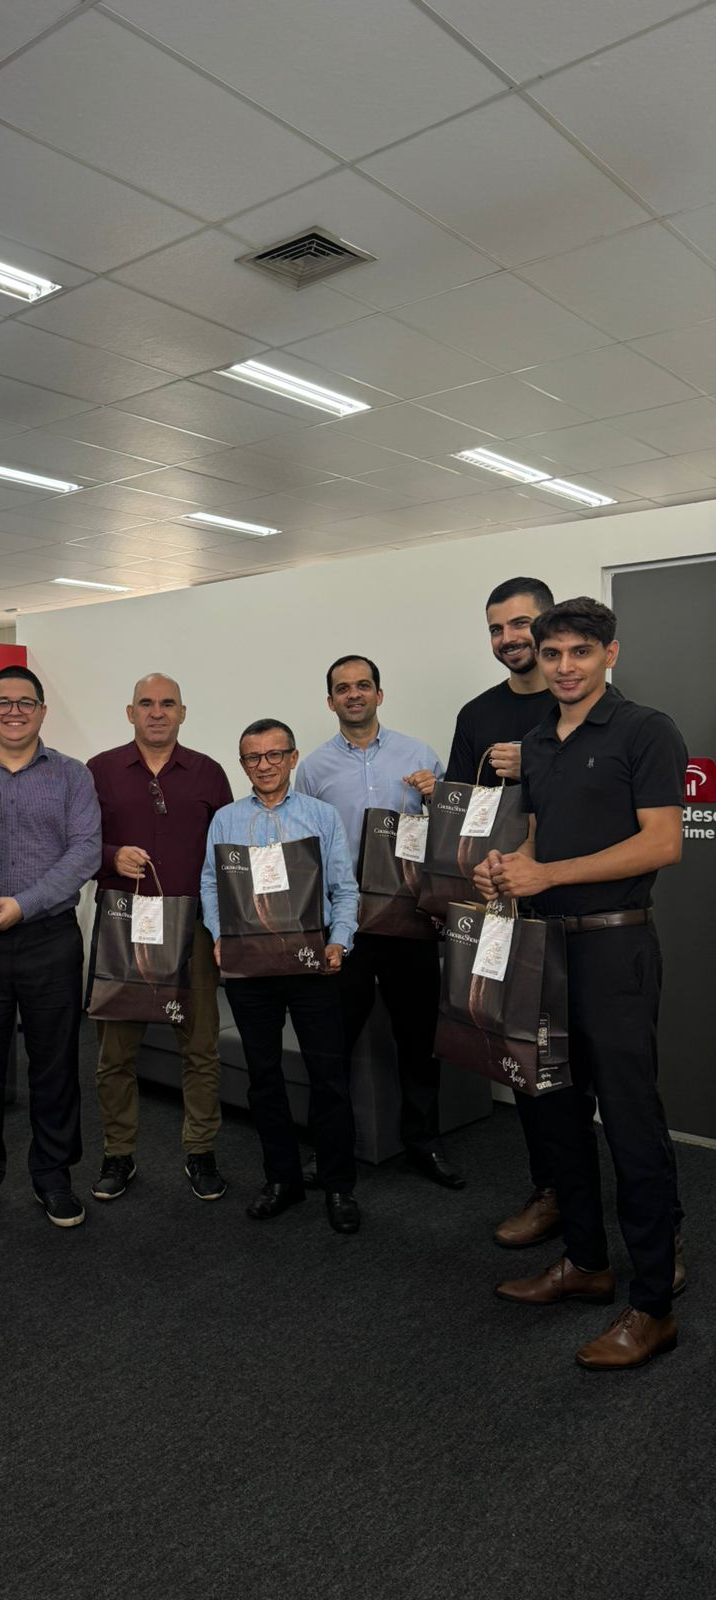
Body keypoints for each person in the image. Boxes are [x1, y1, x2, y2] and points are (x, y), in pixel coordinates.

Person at [477, 598, 686, 1370]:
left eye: (580, 652)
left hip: (615, 948)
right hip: (545, 951)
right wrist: (505, 870)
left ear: (610, 655)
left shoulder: (645, 730)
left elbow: (662, 844)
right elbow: (536, 842)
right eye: (553, 653)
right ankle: (587, 1265)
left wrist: (549, 873)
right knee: (557, 1113)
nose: (565, 666)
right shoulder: (536, 742)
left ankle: (653, 1306)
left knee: (629, 1122)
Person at [0, 665, 101, 1232]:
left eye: (25, 702)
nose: (14, 711)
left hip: (48, 938)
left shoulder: (72, 775)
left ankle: (53, 1175)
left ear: (41, 711)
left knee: (55, 1065)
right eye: (3, 702)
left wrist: (24, 904)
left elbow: (85, 852)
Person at [296, 656, 463, 1189]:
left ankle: (424, 1142)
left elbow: (453, 834)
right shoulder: (313, 769)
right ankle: (330, 1149)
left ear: (379, 694)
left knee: (419, 1036)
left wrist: (438, 798)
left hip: (410, 917)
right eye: (343, 688)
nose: (354, 694)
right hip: (345, 923)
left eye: (363, 685)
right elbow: (307, 848)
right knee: (333, 1041)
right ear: (330, 702)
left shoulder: (420, 755)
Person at [201, 719, 360, 1230]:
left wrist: (340, 939)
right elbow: (210, 884)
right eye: (253, 757)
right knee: (263, 1079)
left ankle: (338, 1185)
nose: (264, 765)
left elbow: (345, 887)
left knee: (328, 1078)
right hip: (249, 970)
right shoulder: (225, 820)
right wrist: (218, 934)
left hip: (313, 965)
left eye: (274, 754)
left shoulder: (321, 816)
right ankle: (281, 1179)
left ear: (292, 758)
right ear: (242, 764)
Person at [441, 578, 562, 1249]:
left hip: (579, 909)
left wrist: (536, 763)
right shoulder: (478, 713)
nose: (509, 638)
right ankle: (550, 1190)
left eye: (521, 623)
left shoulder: (579, 702)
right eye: (497, 628)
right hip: (506, 910)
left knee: (595, 1067)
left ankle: (628, 1207)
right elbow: (463, 809)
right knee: (525, 1056)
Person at [86, 673, 234, 1203]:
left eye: (167, 703)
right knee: (114, 1055)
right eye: (146, 703)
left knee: (200, 1049)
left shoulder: (209, 773)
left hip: (192, 928)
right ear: (130, 713)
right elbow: (76, 844)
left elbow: (227, 852)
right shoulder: (99, 770)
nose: (156, 712)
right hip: (123, 927)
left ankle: (200, 1151)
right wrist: (110, 857)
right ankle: (118, 1154)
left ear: (182, 712)